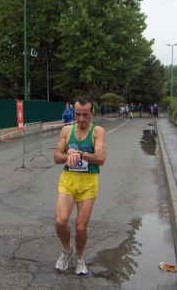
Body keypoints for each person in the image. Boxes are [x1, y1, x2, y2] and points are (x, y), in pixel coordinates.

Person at [53, 96, 106, 275]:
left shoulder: (98, 131)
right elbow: (56, 157)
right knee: (60, 222)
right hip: (68, 180)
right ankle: (67, 250)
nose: (81, 119)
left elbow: (101, 159)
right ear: (73, 113)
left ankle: (79, 256)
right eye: (78, 115)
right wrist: (69, 156)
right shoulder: (67, 130)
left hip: (88, 181)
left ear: (92, 113)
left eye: (85, 115)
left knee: (80, 227)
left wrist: (81, 154)